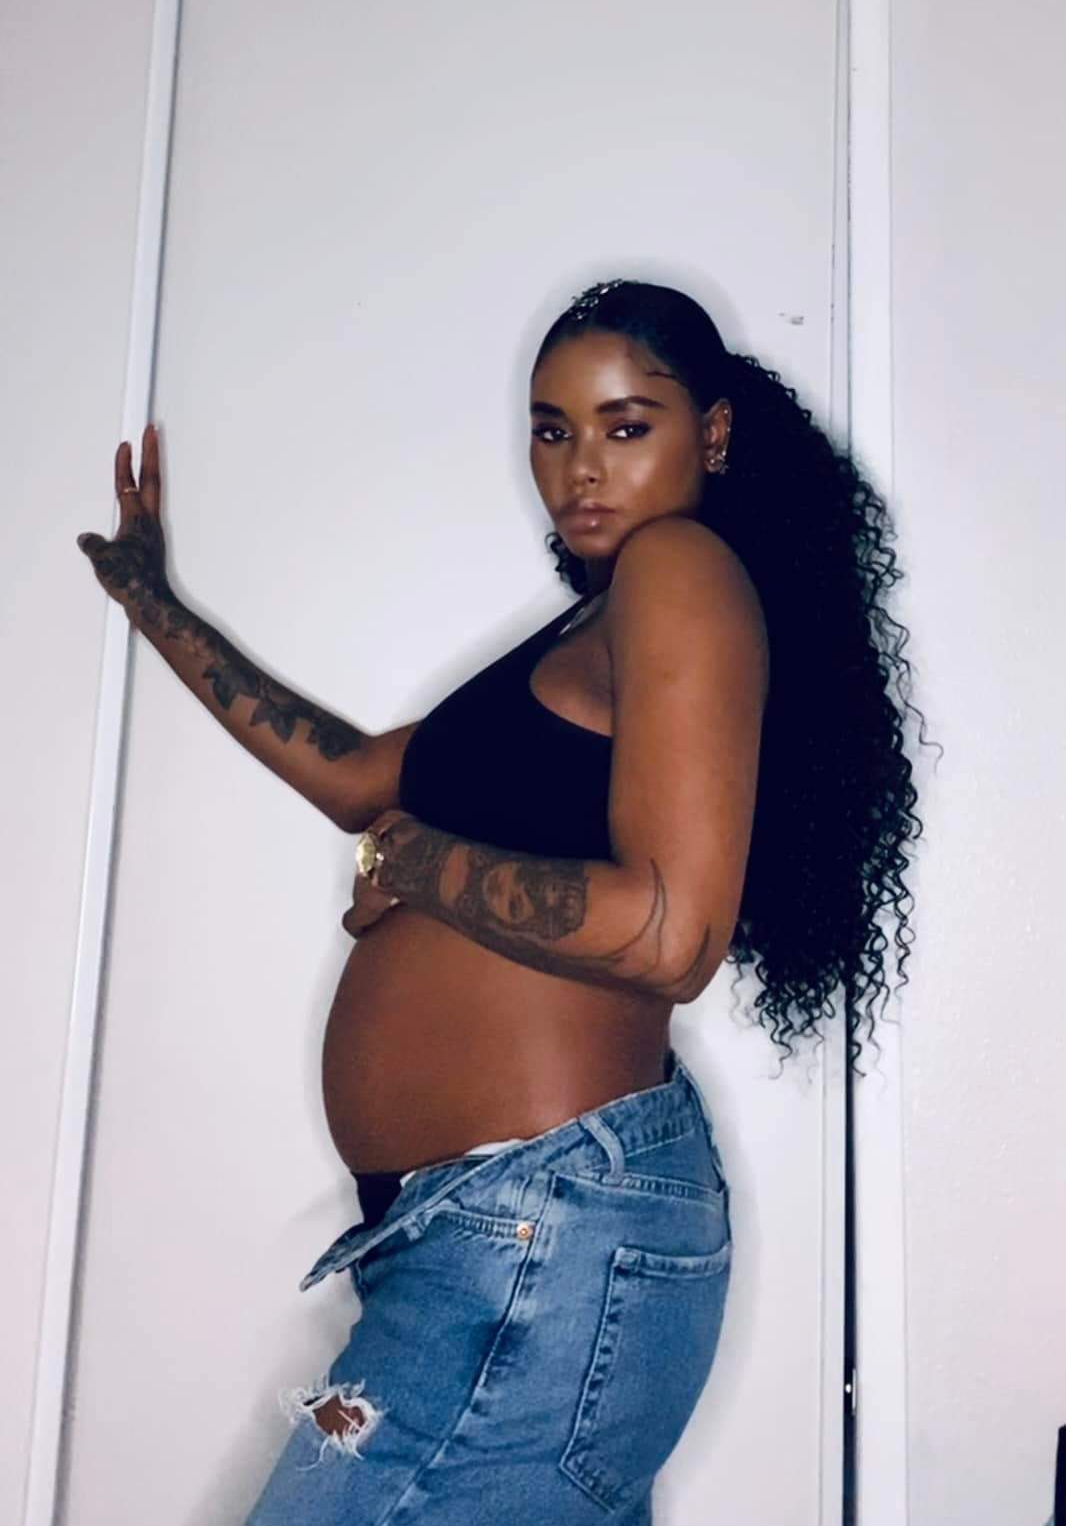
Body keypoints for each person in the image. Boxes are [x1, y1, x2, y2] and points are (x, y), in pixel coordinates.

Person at [76, 278, 932, 1523]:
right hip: (503, 1233)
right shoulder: (599, 618)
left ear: (713, 432)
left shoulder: (679, 568)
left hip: (538, 1230)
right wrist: (151, 601)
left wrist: (414, 865)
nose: (580, 466)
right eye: (551, 428)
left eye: (626, 425)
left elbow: (670, 932)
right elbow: (357, 776)